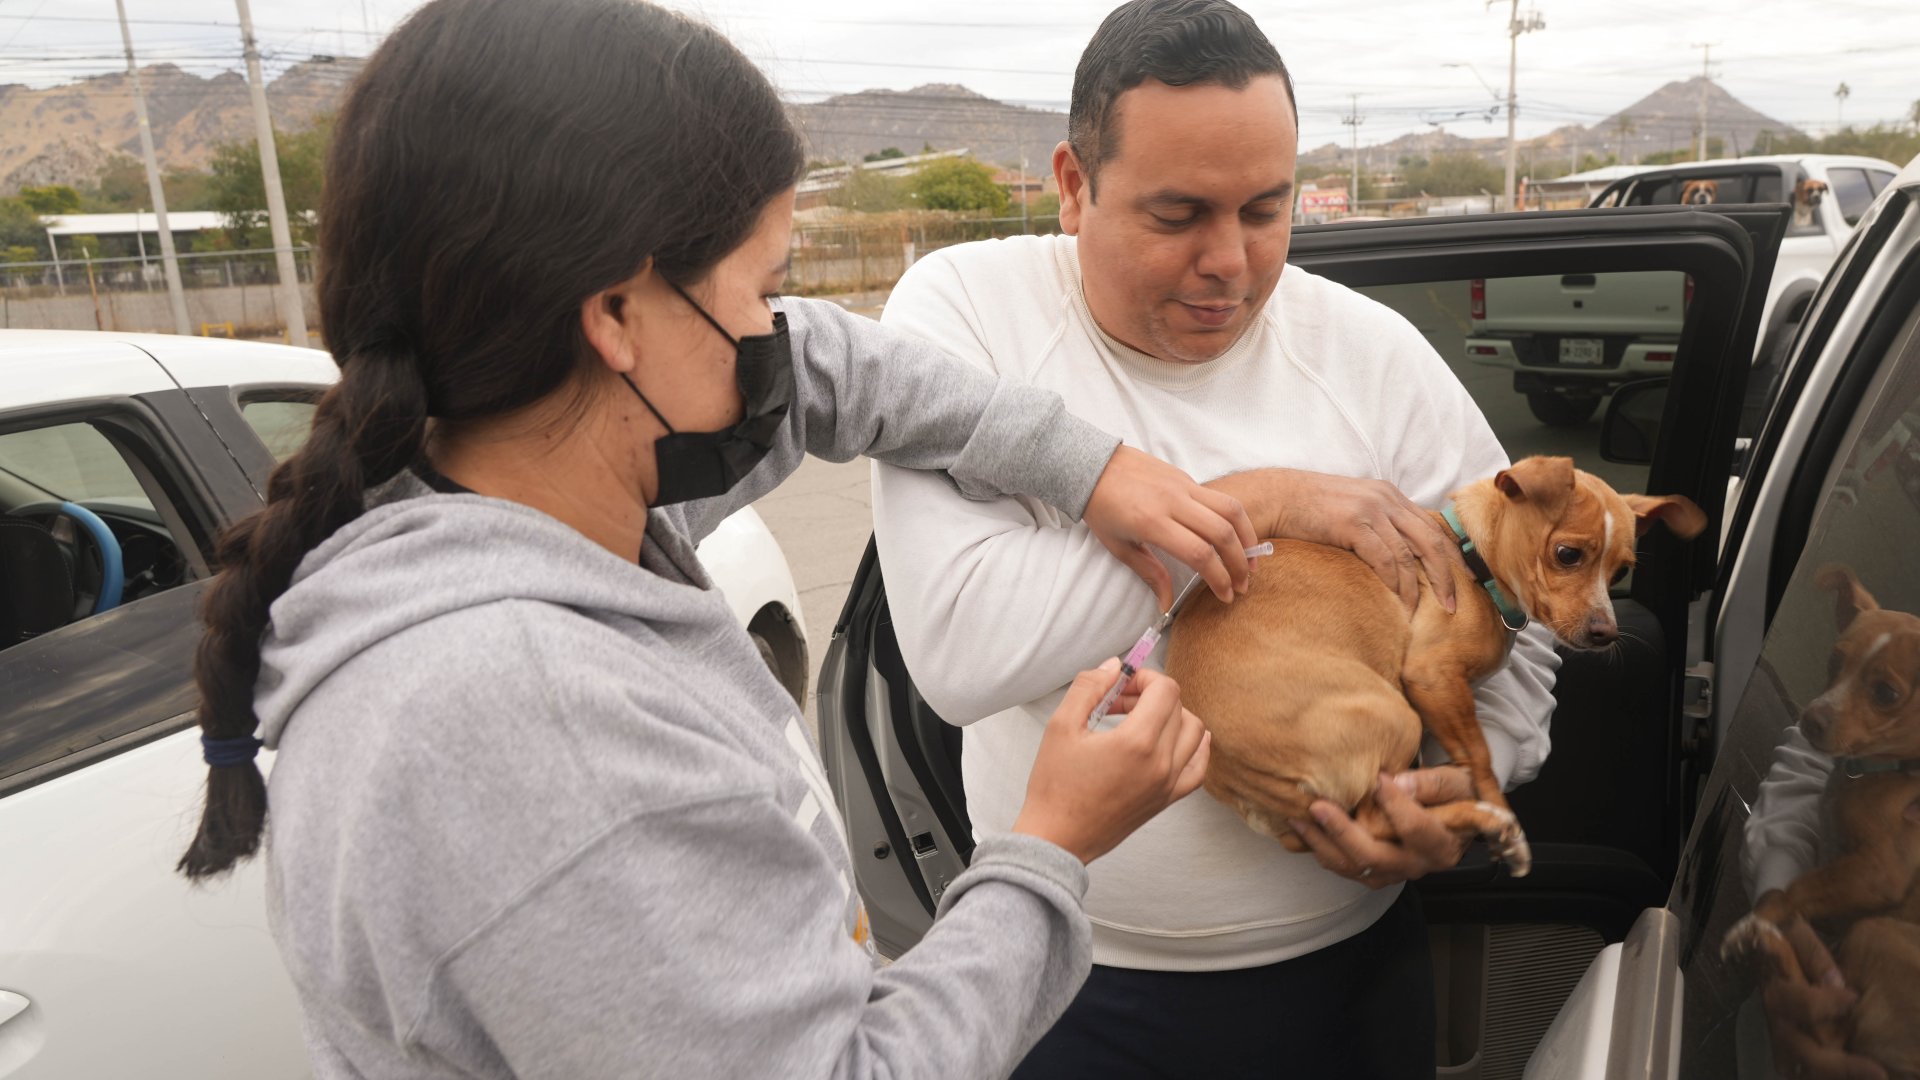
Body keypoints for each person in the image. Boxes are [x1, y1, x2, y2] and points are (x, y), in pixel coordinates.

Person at [173, 1, 1263, 1076]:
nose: (772, 337)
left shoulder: (520, 504)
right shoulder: (538, 727)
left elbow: (830, 366)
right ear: (615, 316)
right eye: (762, 286)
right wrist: (1050, 845)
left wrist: (1091, 468)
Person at [871, 2, 1561, 1076]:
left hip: (1351, 975)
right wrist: (1261, 501)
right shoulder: (969, 317)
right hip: (1073, 983)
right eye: (1179, 213)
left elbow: (1523, 620)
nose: (1230, 262)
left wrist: (1464, 790)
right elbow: (962, 652)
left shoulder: (1370, 353)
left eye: (1265, 210)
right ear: (1071, 184)